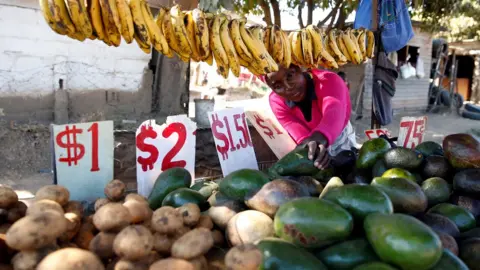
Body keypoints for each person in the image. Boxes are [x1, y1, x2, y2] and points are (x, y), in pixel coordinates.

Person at [263, 65, 356, 169]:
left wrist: (318, 139)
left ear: (300, 69)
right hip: (312, 140)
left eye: (290, 76)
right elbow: (294, 129)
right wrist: (308, 147)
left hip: (339, 134)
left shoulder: (329, 80)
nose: (288, 87)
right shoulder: (277, 101)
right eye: (277, 86)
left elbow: (334, 114)